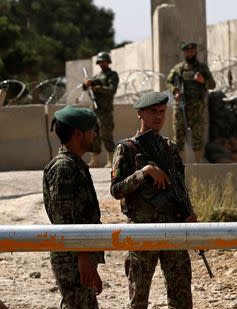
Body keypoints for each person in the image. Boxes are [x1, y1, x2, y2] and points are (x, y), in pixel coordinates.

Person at [110, 92, 195, 309]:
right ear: (140, 114)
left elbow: (179, 186)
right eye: (153, 112)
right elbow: (116, 189)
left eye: (162, 112)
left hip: (172, 227)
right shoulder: (127, 148)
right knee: (138, 299)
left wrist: (189, 212)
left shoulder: (169, 147)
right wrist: (144, 172)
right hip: (142, 231)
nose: (159, 117)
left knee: (181, 297)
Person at [43, 105, 104, 308]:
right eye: (92, 130)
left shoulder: (74, 164)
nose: (95, 134)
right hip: (72, 257)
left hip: (79, 254)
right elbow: (63, 219)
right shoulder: (64, 168)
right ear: (78, 133)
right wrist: (83, 256)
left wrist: (89, 260)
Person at [166, 42, 216, 163]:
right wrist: (175, 91)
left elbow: (212, 85)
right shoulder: (178, 68)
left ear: (195, 52)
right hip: (180, 108)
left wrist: (203, 81)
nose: (190, 53)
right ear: (184, 53)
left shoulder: (202, 68)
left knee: (197, 138)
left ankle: (197, 165)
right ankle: (181, 167)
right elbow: (169, 82)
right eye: (187, 51)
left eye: (192, 51)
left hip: (197, 109)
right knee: (178, 139)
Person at [83, 51, 119, 168]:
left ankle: (111, 159)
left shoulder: (112, 75)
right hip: (95, 111)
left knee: (106, 134)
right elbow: (87, 87)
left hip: (105, 110)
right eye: (100, 62)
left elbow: (111, 89)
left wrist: (96, 88)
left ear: (108, 62)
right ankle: (95, 160)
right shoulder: (97, 77)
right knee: (94, 135)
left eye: (104, 61)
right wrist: (86, 84)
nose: (102, 64)